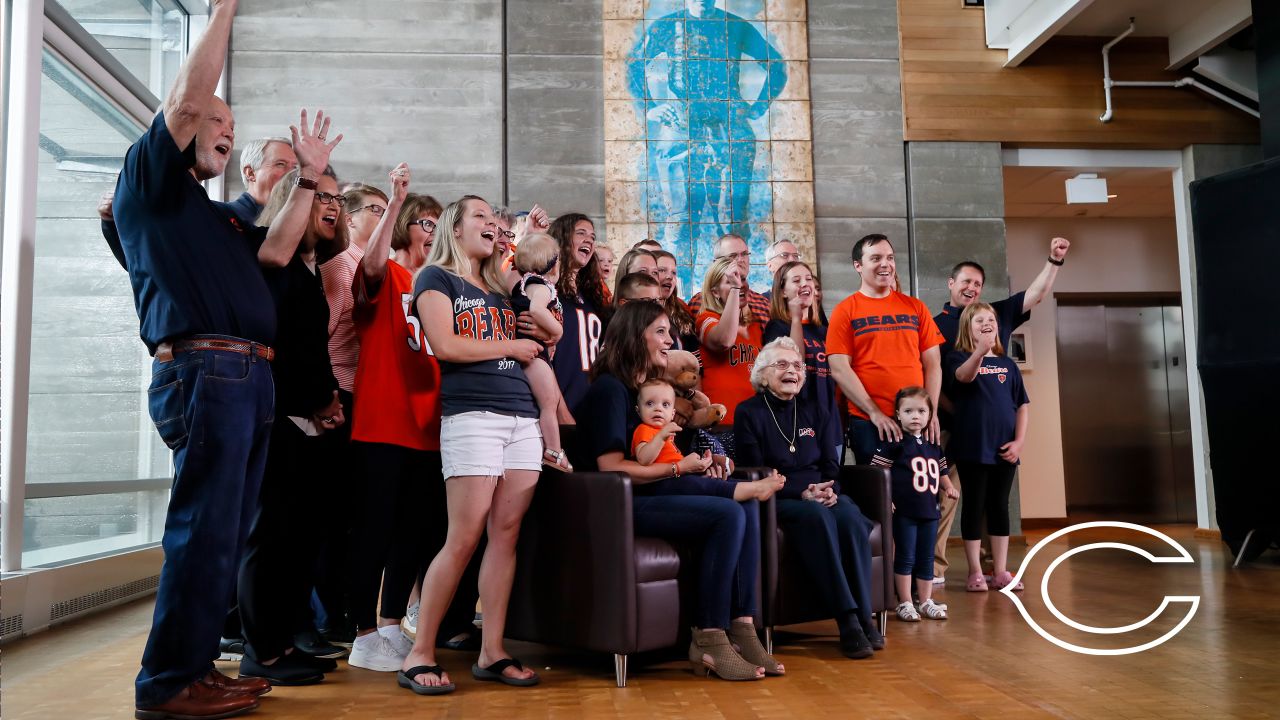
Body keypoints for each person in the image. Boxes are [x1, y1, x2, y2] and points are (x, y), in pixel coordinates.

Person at [111, 0, 339, 711]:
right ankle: (169, 681)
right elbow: (183, 99)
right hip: (207, 372)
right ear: (184, 127)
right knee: (203, 531)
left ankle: (198, 665)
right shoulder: (149, 182)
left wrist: (306, 176)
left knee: (226, 532)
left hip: (247, 375)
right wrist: (226, 11)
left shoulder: (220, 218)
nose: (225, 132)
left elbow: (276, 248)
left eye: (233, 128)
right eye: (218, 124)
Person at [577, 301, 783, 681]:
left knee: (747, 506)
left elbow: (670, 449)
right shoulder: (610, 390)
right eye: (659, 332)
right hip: (620, 504)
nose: (669, 341)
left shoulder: (650, 391)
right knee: (730, 510)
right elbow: (611, 468)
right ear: (633, 336)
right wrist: (677, 468)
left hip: (656, 492)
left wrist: (705, 460)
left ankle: (742, 626)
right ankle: (708, 637)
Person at [398, 196, 543, 694]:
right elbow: (446, 346)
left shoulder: (500, 287)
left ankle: (492, 650)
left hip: (522, 416)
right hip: (472, 415)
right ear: (454, 228)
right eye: (481, 216)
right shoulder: (435, 278)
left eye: (494, 220)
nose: (492, 224)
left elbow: (541, 335)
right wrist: (510, 345)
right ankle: (419, 653)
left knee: (506, 535)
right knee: (462, 537)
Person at [237, 167, 349, 686]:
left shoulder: (310, 269)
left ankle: (280, 642)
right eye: (320, 196)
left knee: (296, 538)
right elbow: (289, 350)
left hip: (305, 417)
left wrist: (324, 400)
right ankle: (263, 650)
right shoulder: (275, 259)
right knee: (271, 538)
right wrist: (323, 397)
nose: (331, 206)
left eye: (336, 199)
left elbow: (312, 349)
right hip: (279, 414)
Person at [341, 167, 451, 673]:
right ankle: (361, 632)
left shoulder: (440, 282)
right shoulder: (388, 272)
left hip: (427, 424)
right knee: (373, 528)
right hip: (383, 418)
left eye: (437, 223)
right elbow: (371, 267)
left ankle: (389, 625)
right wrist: (396, 201)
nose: (432, 231)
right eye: (425, 222)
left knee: (413, 530)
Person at [929, 237, 1068, 583]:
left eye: (978, 283)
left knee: (994, 501)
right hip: (950, 427)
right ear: (951, 284)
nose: (972, 288)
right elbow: (935, 374)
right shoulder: (935, 324)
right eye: (966, 282)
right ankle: (934, 570)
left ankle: (994, 567)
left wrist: (1054, 260)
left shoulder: (996, 314)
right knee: (946, 497)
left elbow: (1036, 293)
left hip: (995, 432)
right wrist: (956, 411)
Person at [734, 338, 884, 658]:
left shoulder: (816, 409)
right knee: (815, 517)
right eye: (782, 365)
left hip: (822, 491)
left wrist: (829, 489)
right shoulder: (749, 412)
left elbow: (831, 462)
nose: (792, 371)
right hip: (781, 496)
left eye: (797, 366)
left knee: (851, 519)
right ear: (762, 374)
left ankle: (864, 614)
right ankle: (847, 620)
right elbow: (753, 470)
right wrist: (800, 492)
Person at [310, 182, 391, 644]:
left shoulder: (376, 268)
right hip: (338, 396)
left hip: (362, 397)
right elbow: (317, 337)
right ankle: (328, 616)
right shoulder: (342, 269)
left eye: (387, 210)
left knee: (353, 514)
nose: (383, 217)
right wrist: (326, 398)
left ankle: (341, 612)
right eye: (374, 210)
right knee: (334, 514)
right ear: (351, 217)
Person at [827, 234, 945, 463]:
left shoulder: (916, 307)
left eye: (890, 257)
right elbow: (839, 369)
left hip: (915, 421)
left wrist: (930, 412)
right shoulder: (845, 311)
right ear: (858, 266)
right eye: (876, 258)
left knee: (919, 495)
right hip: (870, 423)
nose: (886, 264)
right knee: (878, 497)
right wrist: (875, 413)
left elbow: (933, 364)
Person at [945, 303, 1030, 594]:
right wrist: (980, 350)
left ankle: (1002, 571)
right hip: (972, 448)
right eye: (979, 319)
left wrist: (1019, 442)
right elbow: (963, 377)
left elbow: (1022, 407)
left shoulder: (1008, 365)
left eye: (991, 319)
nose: (986, 322)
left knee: (999, 507)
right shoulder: (959, 358)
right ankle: (975, 571)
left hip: (1005, 450)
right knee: (974, 506)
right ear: (968, 327)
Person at [870, 387, 956, 622]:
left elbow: (941, 469)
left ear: (930, 415)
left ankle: (925, 600)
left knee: (926, 556)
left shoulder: (933, 445)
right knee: (906, 556)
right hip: (905, 511)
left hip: (929, 510)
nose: (915, 416)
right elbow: (878, 472)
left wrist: (947, 486)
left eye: (921, 411)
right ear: (898, 414)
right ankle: (905, 601)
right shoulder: (894, 443)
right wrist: (886, 499)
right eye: (908, 411)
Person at [631, 379, 782, 502]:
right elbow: (644, 459)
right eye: (650, 403)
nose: (658, 409)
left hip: (676, 478)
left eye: (665, 405)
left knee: (713, 482)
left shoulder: (666, 432)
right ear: (638, 411)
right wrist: (661, 436)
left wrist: (702, 463)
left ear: (672, 413)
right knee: (707, 486)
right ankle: (755, 489)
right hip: (660, 483)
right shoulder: (644, 429)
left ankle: (751, 488)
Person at [509, 232, 573, 472]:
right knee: (549, 402)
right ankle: (554, 451)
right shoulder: (540, 286)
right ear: (553, 264)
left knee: (548, 401)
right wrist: (557, 332)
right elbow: (536, 310)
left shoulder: (527, 282)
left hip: (535, 352)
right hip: (533, 354)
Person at [540, 213, 610, 417]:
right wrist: (560, 411)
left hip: (592, 406)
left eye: (593, 236)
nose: (589, 239)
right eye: (581, 233)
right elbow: (541, 358)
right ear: (562, 239)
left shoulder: (592, 297)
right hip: (559, 409)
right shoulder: (545, 292)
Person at [695, 257, 761, 427]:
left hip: (755, 422)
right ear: (715, 292)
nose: (739, 283)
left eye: (742, 279)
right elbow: (725, 340)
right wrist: (735, 289)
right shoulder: (706, 319)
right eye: (731, 280)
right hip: (722, 422)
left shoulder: (755, 326)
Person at [764, 261, 834, 413]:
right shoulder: (776, 327)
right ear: (782, 291)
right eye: (796, 280)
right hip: (797, 411)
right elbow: (796, 365)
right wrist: (796, 319)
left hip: (828, 411)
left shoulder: (824, 331)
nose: (805, 284)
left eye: (808, 279)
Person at [688, 234, 771, 325]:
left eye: (744, 254)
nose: (740, 260)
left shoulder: (763, 303)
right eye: (732, 256)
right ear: (716, 263)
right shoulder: (699, 302)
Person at [652, 249, 699, 351]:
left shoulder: (682, 311)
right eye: (662, 270)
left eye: (674, 272)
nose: (669, 276)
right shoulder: (639, 313)